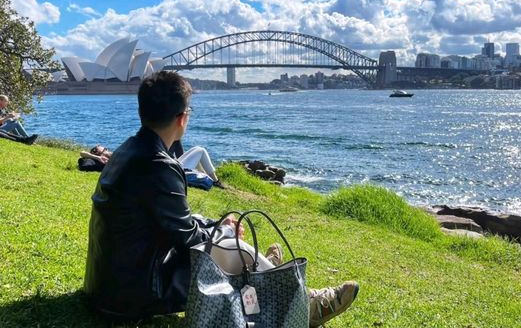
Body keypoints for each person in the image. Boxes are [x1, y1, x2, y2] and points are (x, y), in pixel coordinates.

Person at [84, 71, 358, 325]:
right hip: (132, 295)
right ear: (182, 118)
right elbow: (187, 239)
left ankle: (265, 270)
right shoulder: (157, 165)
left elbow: (170, 220)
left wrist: (216, 224)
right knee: (228, 245)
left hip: (107, 286)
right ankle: (304, 304)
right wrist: (223, 230)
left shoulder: (129, 150)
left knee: (225, 238)